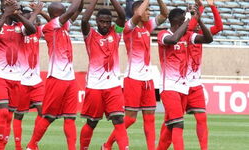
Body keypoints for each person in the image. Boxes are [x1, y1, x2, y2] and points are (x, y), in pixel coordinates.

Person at [103, 0, 168, 149]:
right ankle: (107, 145)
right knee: (130, 119)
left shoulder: (147, 27)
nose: (149, 13)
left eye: (149, 10)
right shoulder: (128, 28)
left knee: (150, 118)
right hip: (133, 79)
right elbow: (138, 13)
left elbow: (165, 14)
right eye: (147, 10)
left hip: (148, 79)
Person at [26, 0, 83, 150]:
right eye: (63, 11)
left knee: (70, 117)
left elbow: (78, 9)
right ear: (58, 15)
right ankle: (31, 146)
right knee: (49, 116)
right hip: (57, 78)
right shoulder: (51, 27)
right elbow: (72, 11)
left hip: (70, 78)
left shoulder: (62, 26)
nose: (66, 13)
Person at [156, 5, 213, 150]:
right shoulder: (163, 34)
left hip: (184, 88)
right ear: (177, 21)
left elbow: (208, 39)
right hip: (168, 87)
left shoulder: (188, 36)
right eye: (183, 20)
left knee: (170, 127)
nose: (187, 22)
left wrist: (199, 21)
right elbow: (173, 40)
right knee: (178, 123)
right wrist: (188, 20)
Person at [0, 0, 36, 149]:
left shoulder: (20, 27)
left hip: (16, 77)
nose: (18, 10)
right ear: (4, 8)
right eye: (16, 8)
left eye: (19, 8)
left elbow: (32, 30)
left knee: (9, 116)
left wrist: (18, 15)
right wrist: (5, 14)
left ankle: (3, 145)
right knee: (3, 113)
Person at [79, 0, 128, 150]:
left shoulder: (116, 32)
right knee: (92, 122)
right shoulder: (90, 34)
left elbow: (122, 15)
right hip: (95, 86)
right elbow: (84, 20)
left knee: (119, 119)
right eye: (101, 22)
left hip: (113, 86)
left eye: (107, 22)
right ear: (97, 21)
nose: (105, 25)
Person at [185, 0, 223, 149]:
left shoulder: (201, 34)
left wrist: (212, 5)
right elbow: (190, 26)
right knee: (172, 121)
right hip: (179, 84)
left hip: (195, 85)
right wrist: (200, 7)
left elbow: (219, 27)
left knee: (202, 118)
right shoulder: (183, 33)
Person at [12, 2, 45, 150]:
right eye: (27, 16)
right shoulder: (18, 30)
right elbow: (27, 26)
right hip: (22, 81)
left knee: (43, 112)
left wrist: (40, 12)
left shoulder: (37, 31)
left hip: (36, 80)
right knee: (19, 115)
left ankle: (33, 144)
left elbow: (54, 23)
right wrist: (35, 13)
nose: (31, 18)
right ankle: (18, 146)